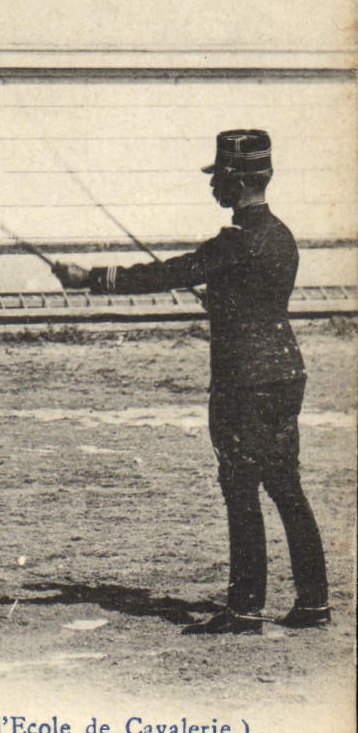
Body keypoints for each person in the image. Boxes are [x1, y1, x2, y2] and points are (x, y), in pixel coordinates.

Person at [52, 130, 329, 634]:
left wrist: (88, 278)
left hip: (244, 379)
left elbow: (170, 274)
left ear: (235, 179)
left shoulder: (237, 241)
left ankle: (245, 609)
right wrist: (223, 301)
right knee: (286, 485)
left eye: (218, 178)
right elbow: (251, 297)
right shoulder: (280, 235)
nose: (213, 188)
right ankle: (313, 604)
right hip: (286, 372)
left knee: (240, 486)